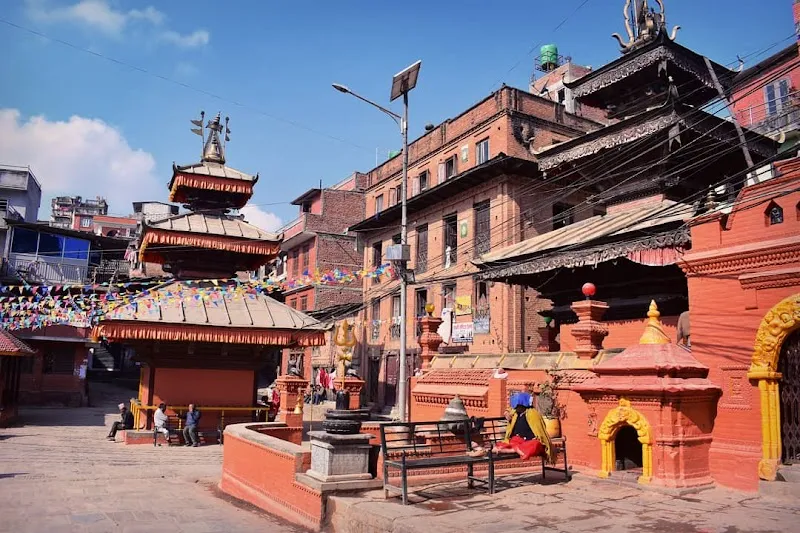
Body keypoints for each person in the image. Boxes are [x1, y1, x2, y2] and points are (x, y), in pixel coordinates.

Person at [492, 392, 554, 462]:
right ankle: (514, 449)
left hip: (530, 440)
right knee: (507, 443)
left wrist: (535, 438)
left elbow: (539, 431)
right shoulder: (515, 413)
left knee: (535, 444)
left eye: (518, 406)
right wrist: (506, 412)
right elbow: (509, 410)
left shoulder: (533, 414)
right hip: (518, 440)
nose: (516, 408)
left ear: (523, 405)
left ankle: (511, 450)